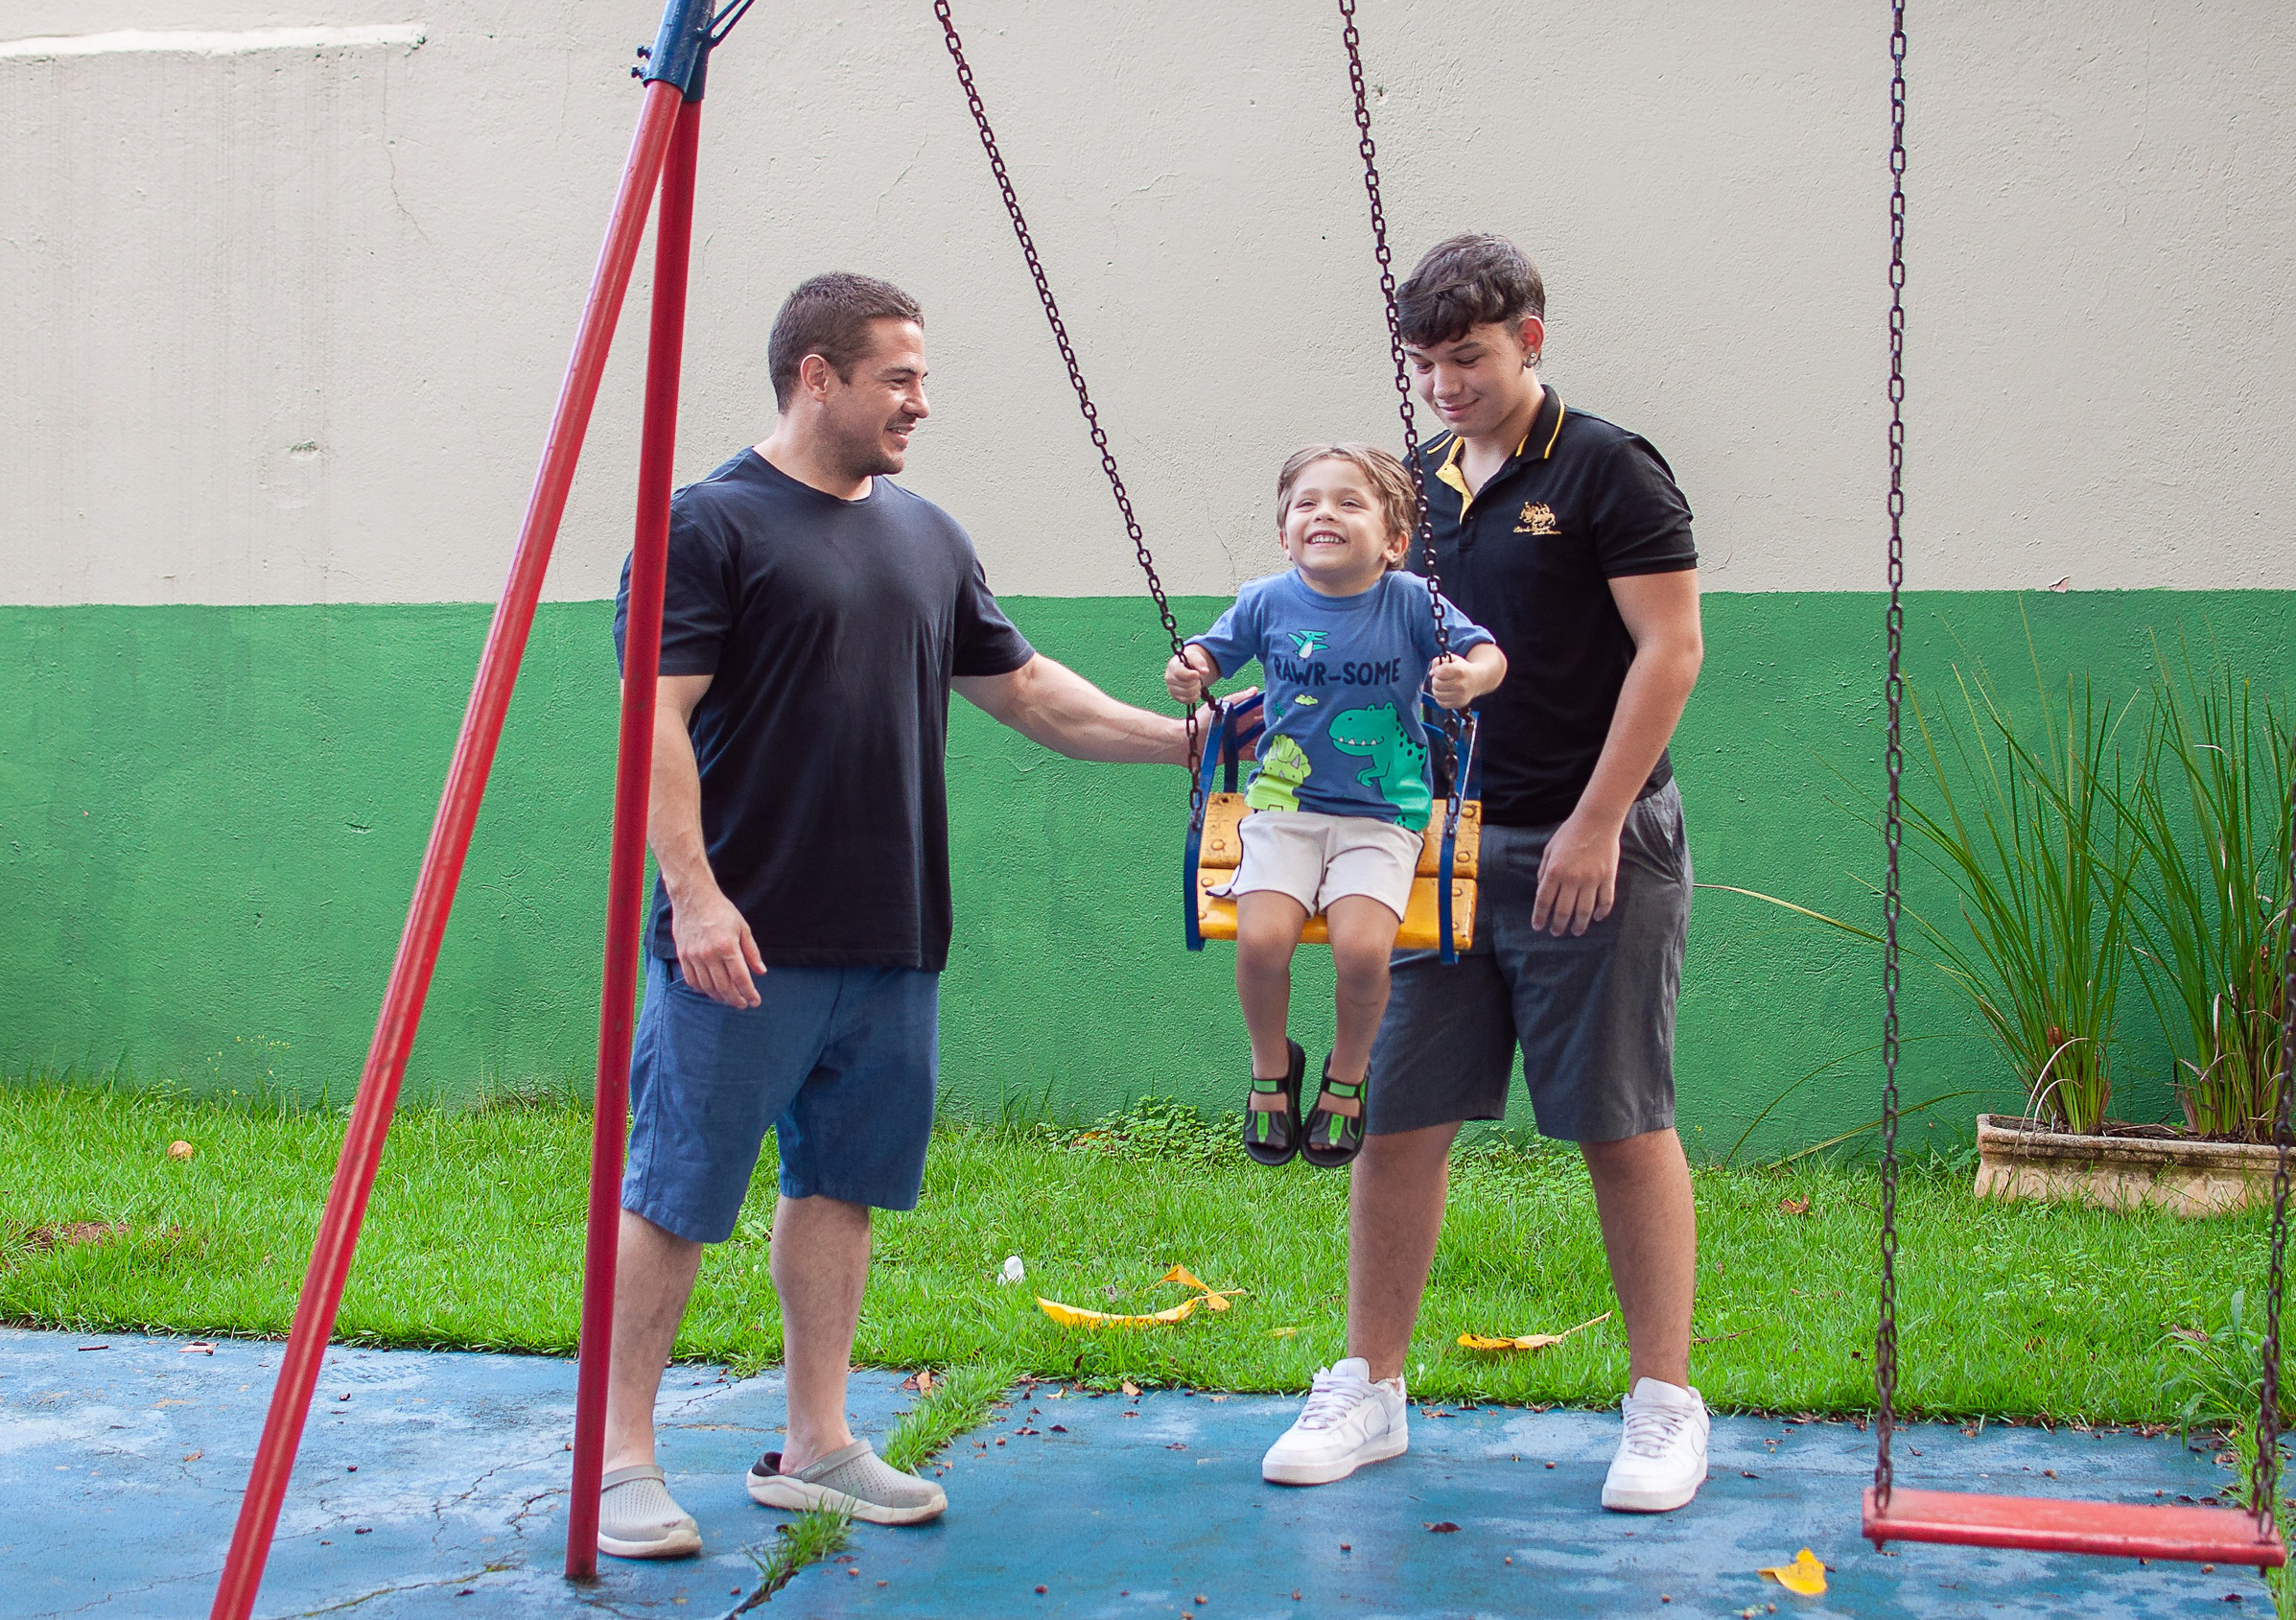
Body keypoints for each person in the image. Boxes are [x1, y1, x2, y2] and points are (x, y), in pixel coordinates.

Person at [597, 272, 1207, 1559]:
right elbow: (653, 717)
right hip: (741, 938)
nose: (921, 403)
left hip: (891, 939)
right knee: (673, 1195)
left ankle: (816, 1444)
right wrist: (693, 896)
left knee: (843, 1188)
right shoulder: (705, 526)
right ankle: (620, 1461)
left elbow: (1035, 694)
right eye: (898, 378)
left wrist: (1194, 744)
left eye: (923, 378)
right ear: (815, 375)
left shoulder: (926, 536)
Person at [1258, 235, 1710, 1512]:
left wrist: (1593, 824)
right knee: (1395, 1117)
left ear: (1532, 337)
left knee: (1617, 1122)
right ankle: (1371, 1388)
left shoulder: (1611, 469)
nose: (1447, 384)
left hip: (1588, 844)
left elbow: (1669, 652)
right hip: (1431, 852)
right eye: (1427, 363)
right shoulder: (1416, 486)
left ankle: (1664, 1404)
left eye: (1470, 357)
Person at [1163, 444, 1504, 1168]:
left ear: (1395, 540)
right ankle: (1270, 1067)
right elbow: (1211, 651)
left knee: (1360, 950)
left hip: (1383, 814)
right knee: (1259, 942)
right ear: (1284, 529)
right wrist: (1189, 667)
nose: (1325, 513)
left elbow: (1488, 653)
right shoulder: (1268, 600)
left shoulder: (1411, 600)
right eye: (1307, 503)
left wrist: (1468, 679)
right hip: (1285, 804)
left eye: (1351, 503)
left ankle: (1348, 1074)